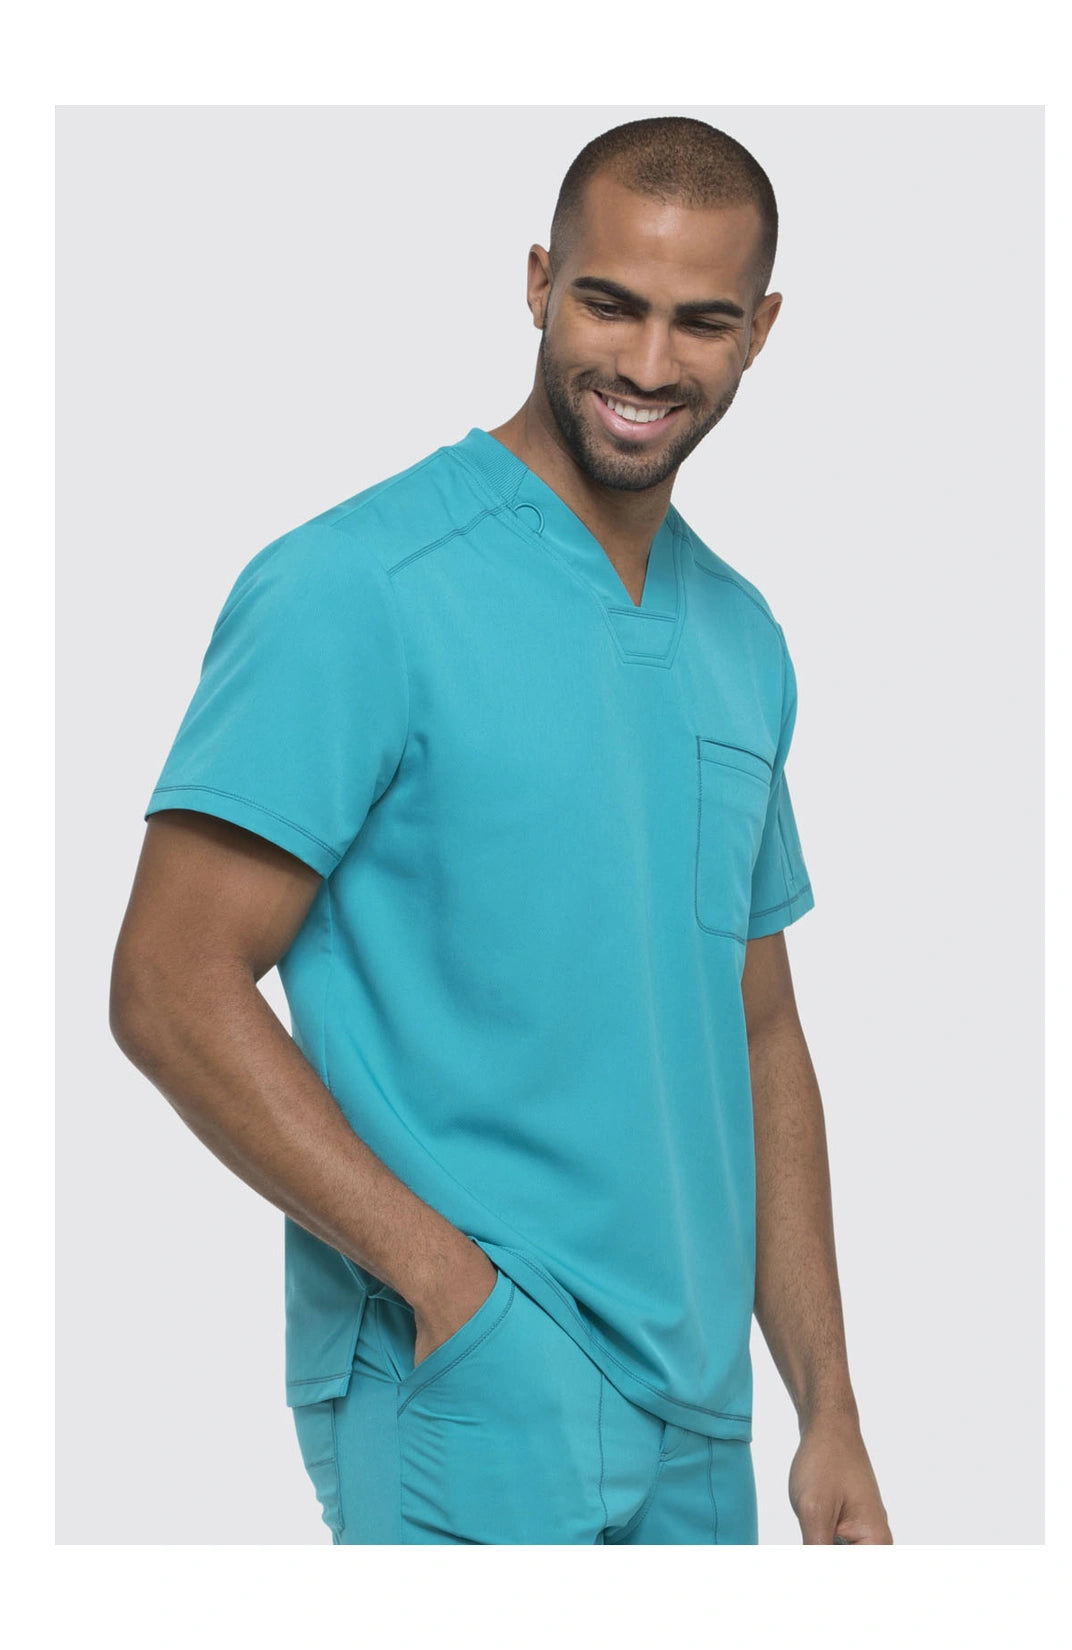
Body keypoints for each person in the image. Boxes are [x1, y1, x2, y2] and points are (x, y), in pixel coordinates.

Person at [110, 114, 892, 1546]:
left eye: (702, 321)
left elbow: (760, 1029)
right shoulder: (360, 586)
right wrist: (449, 1289)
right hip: (473, 1389)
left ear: (763, 330)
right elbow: (169, 983)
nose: (648, 364)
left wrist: (827, 1403)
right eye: (610, 302)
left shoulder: (744, 640)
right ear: (538, 282)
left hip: (704, 1420)